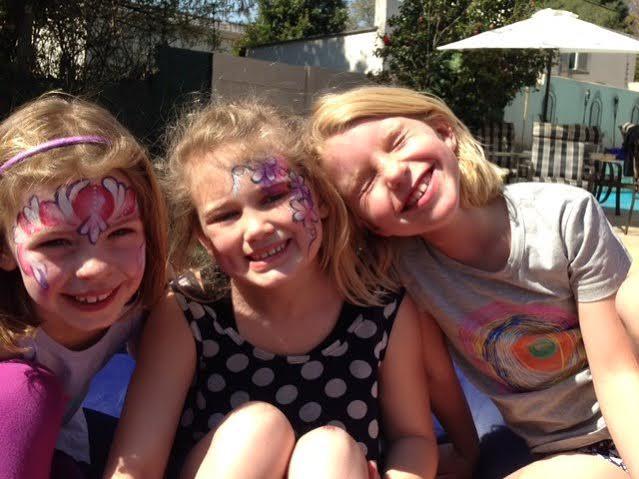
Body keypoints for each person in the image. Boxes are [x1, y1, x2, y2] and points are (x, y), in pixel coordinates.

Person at [105, 99, 473, 479]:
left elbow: (413, 437)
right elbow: (136, 465)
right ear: (204, 239)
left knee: (329, 449)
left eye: (274, 196)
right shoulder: (189, 310)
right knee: (257, 431)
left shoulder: (380, 308)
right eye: (226, 215)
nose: (257, 228)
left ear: (320, 197)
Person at [307, 85, 638, 478]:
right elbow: (438, 377)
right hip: (558, 448)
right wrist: (467, 453)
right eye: (365, 182)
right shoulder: (407, 271)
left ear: (444, 132)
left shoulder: (565, 217)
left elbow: (616, 372)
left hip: (623, 421)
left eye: (397, 142)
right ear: (369, 225)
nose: (394, 173)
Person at [0, 93, 168, 478]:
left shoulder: (143, 310)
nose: (95, 267)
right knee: (20, 392)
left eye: (120, 233)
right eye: (57, 242)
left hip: (58, 449)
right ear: (3, 248)